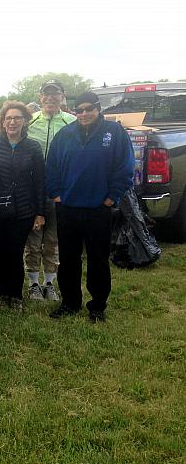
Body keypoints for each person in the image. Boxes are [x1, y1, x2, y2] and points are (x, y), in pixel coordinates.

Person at [46, 91, 134, 322]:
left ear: (98, 109)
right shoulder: (65, 134)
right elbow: (51, 167)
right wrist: (55, 194)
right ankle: (70, 302)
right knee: (68, 259)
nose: (84, 114)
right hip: (67, 208)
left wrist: (111, 197)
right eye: (79, 110)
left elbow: (125, 168)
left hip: (99, 209)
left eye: (89, 109)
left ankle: (97, 306)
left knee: (98, 259)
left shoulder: (114, 133)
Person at [0, 101, 45, 311]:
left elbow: (39, 182)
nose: (12, 122)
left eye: (17, 118)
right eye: (8, 118)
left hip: (23, 210)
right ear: (2, 121)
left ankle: (15, 295)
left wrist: (40, 213)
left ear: (25, 121)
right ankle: (3, 293)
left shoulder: (33, 147)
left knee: (15, 252)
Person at [25, 80, 77, 302]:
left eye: (55, 94)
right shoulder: (30, 122)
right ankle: (33, 283)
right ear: (40, 97)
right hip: (33, 191)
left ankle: (50, 284)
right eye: (47, 94)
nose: (51, 98)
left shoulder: (72, 122)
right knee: (33, 240)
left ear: (62, 96)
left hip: (60, 192)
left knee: (54, 240)